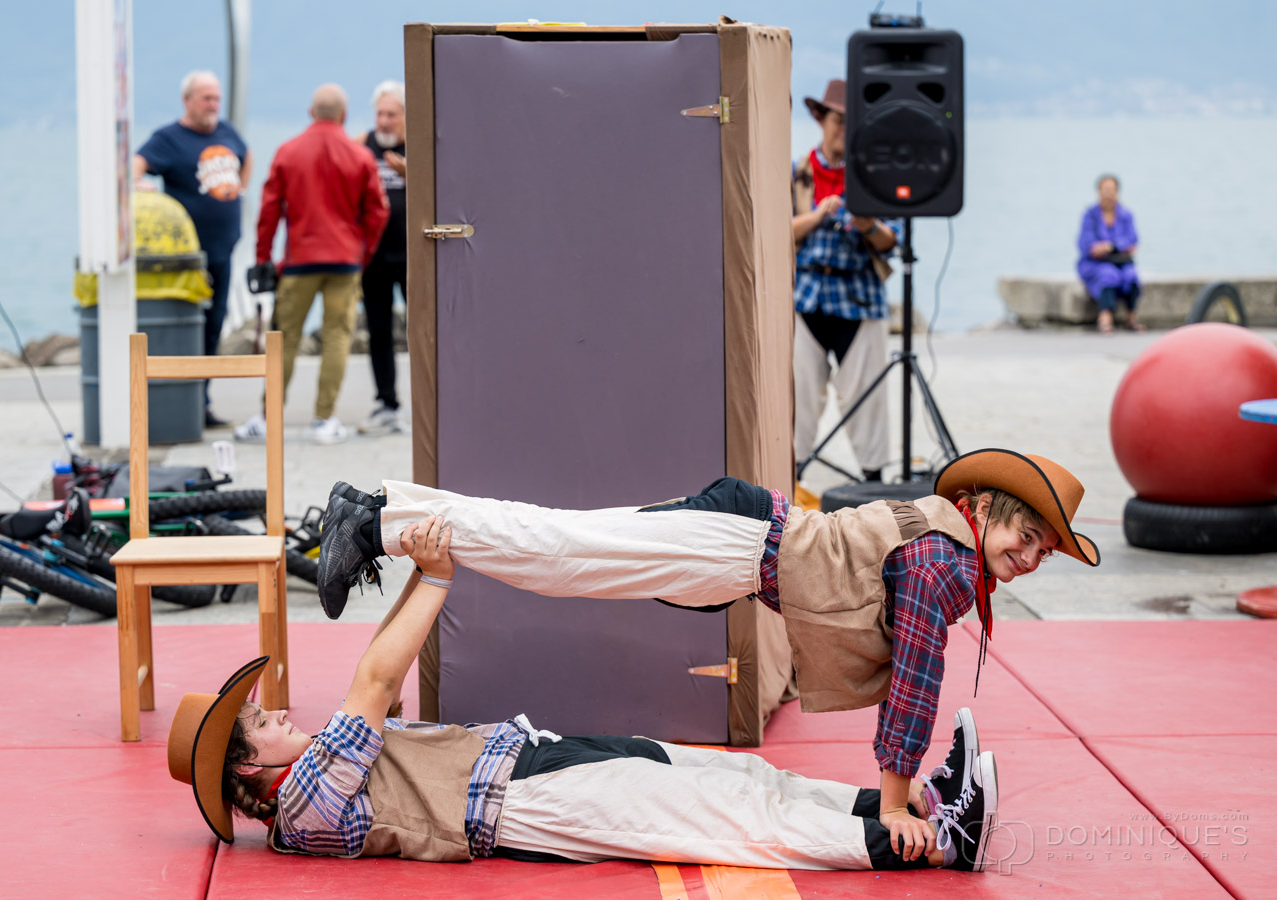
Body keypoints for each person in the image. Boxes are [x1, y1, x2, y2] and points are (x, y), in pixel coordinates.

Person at [315, 448, 1099, 851]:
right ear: (985, 509)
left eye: (1042, 554)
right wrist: (894, 806)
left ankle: (379, 509)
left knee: (558, 545)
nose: (1028, 557)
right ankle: (377, 518)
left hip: (735, 549)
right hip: (735, 544)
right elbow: (915, 687)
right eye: (1025, 537)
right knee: (556, 552)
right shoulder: (944, 563)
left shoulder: (949, 543)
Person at [169, 514, 1001, 871]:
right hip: (514, 805)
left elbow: (371, 689)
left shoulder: (309, 772)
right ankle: (924, 848)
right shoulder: (302, 805)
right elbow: (376, 684)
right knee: (720, 821)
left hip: (528, 758)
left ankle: (909, 808)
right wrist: (432, 578)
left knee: (734, 779)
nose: (276, 711)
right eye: (257, 722)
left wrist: (429, 576)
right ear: (248, 772)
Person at [236, 84, 389, 445]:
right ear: (344, 115)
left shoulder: (288, 153)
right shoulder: (360, 156)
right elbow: (377, 212)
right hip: (345, 261)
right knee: (337, 336)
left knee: (284, 340)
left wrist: (263, 258)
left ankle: (267, 416)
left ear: (310, 112)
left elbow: (269, 212)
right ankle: (324, 419)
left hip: (299, 261)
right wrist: (361, 254)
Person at [792, 79, 900, 482]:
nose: (842, 129)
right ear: (822, 119)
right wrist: (820, 214)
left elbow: (892, 241)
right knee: (798, 398)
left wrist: (867, 224)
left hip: (859, 297)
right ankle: (791, 479)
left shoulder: (874, 175)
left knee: (867, 399)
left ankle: (873, 483)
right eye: (838, 119)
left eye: (851, 122)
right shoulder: (798, 172)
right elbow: (772, 231)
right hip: (806, 298)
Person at [135, 71, 252, 429]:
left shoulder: (228, 132)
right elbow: (135, 166)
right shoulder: (169, 139)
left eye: (216, 98)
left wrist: (239, 190)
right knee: (187, 327)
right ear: (187, 100)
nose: (214, 105)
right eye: (206, 98)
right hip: (187, 258)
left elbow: (246, 157)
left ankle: (201, 401)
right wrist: (140, 185)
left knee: (214, 325)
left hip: (223, 250)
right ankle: (181, 404)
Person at [356, 81, 411, 436]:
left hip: (412, 255)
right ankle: (386, 403)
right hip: (373, 257)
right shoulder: (363, 146)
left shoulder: (420, 146)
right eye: (380, 113)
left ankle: (429, 402)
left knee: (421, 333)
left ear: (406, 116)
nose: (385, 121)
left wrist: (412, 173)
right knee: (378, 332)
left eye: (392, 114)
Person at [1077, 174, 1141, 334]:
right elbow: (1086, 244)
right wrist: (1107, 248)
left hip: (1120, 261)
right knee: (1108, 274)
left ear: (1118, 192)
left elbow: (1132, 241)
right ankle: (1105, 318)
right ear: (1098, 192)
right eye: (1105, 190)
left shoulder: (1126, 215)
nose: (1108, 193)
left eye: (1111, 190)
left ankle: (1131, 317)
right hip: (1095, 263)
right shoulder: (1090, 215)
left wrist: (1110, 246)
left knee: (1131, 275)